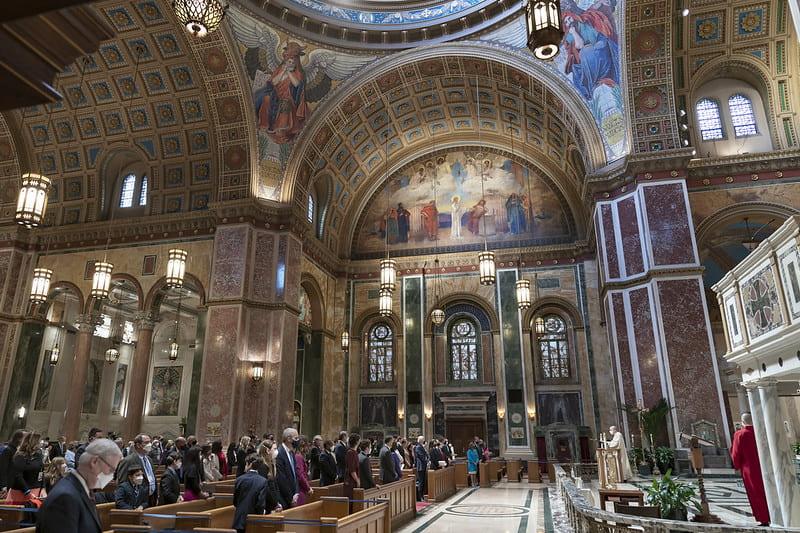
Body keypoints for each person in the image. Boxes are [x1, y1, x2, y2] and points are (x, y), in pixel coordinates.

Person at [36, 438, 122, 533]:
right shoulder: (65, 498)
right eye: (111, 469)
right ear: (94, 462)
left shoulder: (83, 491)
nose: (112, 475)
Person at [731, 413, 770, 526]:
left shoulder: (740, 434)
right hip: (767, 466)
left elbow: (736, 453)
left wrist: (736, 465)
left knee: (756, 493)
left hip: (750, 469)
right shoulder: (762, 431)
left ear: (742, 422)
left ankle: (764, 518)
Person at [116, 433, 158, 506]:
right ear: (138, 445)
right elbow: (122, 482)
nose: (150, 444)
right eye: (146, 442)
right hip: (136, 501)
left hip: (151, 498)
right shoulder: (128, 460)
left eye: (150, 442)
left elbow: (151, 477)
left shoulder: (149, 459)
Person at [232, 454, 269, 533]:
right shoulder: (263, 481)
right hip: (253, 520)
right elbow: (260, 504)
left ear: (250, 464)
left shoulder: (239, 479)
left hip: (239, 519)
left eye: (246, 464)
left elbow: (235, 502)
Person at [7, 431, 45, 505]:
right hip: (21, 491)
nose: (42, 443)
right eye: (40, 441)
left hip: (36, 491)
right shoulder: (19, 456)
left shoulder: (38, 455)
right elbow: (18, 476)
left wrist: (43, 489)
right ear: (34, 442)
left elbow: (41, 472)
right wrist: (27, 492)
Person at [275, 428, 300, 509]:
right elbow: (281, 479)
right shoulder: (279, 453)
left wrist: (296, 493)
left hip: (293, 497)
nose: (298, 440)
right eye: (296, 438)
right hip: (284, 499)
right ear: (289, 439)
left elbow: (295, 475)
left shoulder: (292, 453)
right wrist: (290, 498)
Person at [0, 430, 25, 499]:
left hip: (14, 485)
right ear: (18, 439)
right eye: (25, 438)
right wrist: (3, 486)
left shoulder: (21, 451)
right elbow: (3, 469)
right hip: (6, 485)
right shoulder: (8, 450)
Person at [294, 436, 313, 505]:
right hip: (300, 490)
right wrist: (308, 488)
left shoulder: (299, 456)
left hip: (302, 489)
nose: (308, 448)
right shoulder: (298, 457)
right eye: (307, 446)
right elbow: (300, 475)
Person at [343, 433, 361, 501]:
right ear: (356, 442)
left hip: (353, 481)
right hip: (351, 481)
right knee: (351, 500)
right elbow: (352, 470)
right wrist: (357, 480)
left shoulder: (354, 452)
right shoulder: (351, 452)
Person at [414, 436, 429, 501]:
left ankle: (422, 495)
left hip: (423, 466)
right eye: (423, 440)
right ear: (420, 440)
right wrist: (426, 460)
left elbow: (426, 455)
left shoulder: (422, 447)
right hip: (420, 466)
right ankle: (420, 496)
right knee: (420, 482)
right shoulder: (418, 447)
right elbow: (421, 456)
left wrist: (427, 459)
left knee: (423, 481)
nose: (424, 441)